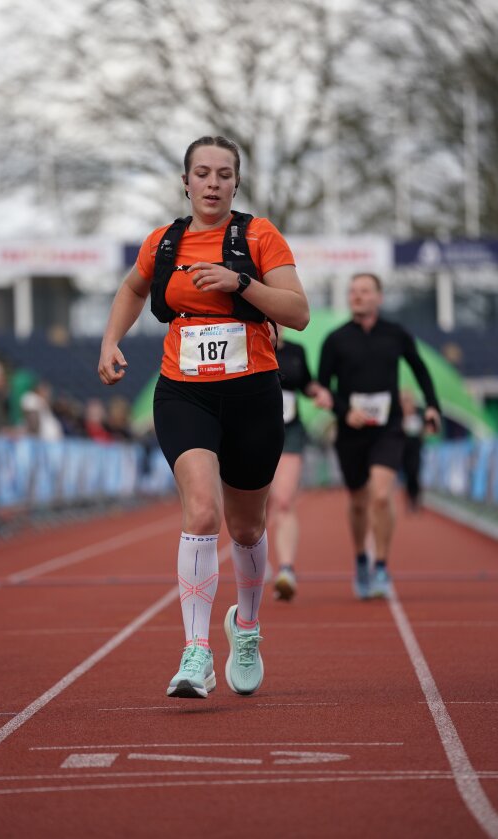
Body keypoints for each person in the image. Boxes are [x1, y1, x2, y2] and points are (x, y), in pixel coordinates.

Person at [98, 135, 309, 699]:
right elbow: (132, 288)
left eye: (223, 174)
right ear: (185, 181)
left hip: (252, 395)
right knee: (200, 510)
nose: (212, 183)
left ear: (236, 182)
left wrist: (240, 282)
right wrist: (111, 341)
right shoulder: (163, 242)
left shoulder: (258, 236)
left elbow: (299, 313)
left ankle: (246, 626)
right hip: (183, 392)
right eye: (202, 173)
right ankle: (196, 652)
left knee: (247, 527)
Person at [317, 273, 441, 600]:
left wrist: (432, 406)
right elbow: (323, 387)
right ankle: (361, 559)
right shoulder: (336, 339)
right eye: (353, 291)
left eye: (364, 291)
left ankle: (382, 566)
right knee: (358, 501)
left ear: (379, 297)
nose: (357, 296)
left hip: (389, 427)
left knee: (382, 496)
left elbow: (420, 369)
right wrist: (344, 411)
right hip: (351, 431)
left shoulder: (395, 333)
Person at [266, 325, 332, 601]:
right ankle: (257, 560)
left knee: (283, 500)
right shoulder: (246, 344)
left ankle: (286, 570)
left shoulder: (296, 351)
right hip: (253, 430)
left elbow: (306, 383)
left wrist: (319, 392)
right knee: (257, 506)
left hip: (290, 430)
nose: (275, 324)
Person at [399, 389, 425, 511]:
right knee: (406, 476)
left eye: (408, 402)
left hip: (415, 454)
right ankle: (408, 499)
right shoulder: (398, 420)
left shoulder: (418, 419)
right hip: (403, 454)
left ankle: (415, 498)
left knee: (414, 474)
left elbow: (423, 436)